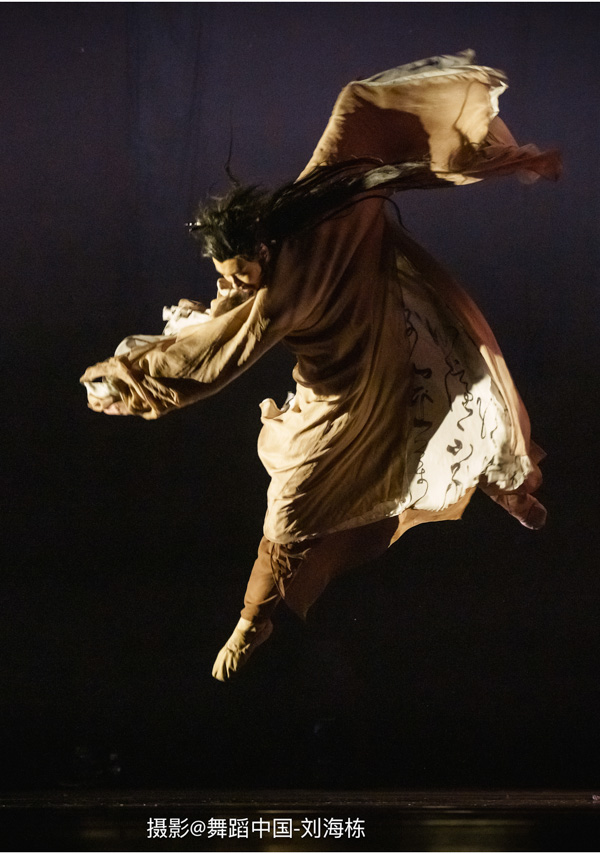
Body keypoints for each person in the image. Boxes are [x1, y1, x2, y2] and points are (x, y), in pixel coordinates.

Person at [80, 49, 560, 681]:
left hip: (347, 393)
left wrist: (129, 381)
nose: (234, 286)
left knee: (292, 503)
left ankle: (252, 621)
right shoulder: (323, 195)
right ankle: (504, 484)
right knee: (447, 394)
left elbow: (216, 356)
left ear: (263, 250)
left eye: (239, 274)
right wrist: (500, 158)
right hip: (380, 356)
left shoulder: (280, 292)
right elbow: (355, 108)